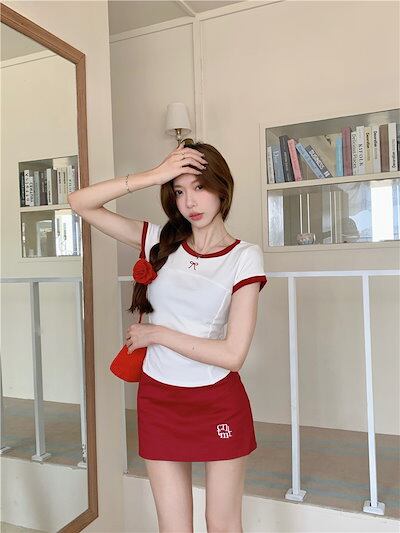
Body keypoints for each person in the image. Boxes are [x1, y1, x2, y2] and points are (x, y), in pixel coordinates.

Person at [68, 139, 268, 533]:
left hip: (216, 400)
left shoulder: (244, 256)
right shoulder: (158, 241)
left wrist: (159, 334)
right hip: (159, 399)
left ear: (222, 189)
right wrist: (155, 174)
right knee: (173, 527)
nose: (190, 201)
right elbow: (80, 202)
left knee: (222, 524)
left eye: (200, 187)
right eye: (179, 191)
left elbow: (233, 355)